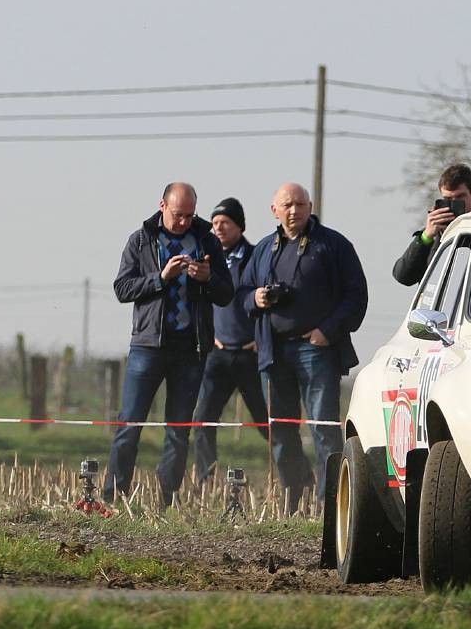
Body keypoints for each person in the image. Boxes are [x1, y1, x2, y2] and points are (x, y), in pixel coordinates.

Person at [105, 182, 234, 506]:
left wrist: (207, 279)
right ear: (162, 205)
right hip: (148, 345)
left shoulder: (206, 240)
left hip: (190, 349)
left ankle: (165, 499)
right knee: (129, 424)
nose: (184, 222)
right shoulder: (141, 239)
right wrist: (160, 278)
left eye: (190, 215)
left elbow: (226, 292)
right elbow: (122, 288)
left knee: (178, 430)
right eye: (178, 215)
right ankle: (114, 495)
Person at [242, 182, 368, 507]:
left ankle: (332, 504)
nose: (294, 210)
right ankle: (293, 499)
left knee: (324, 430)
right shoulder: (262, 250)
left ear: (310, 207)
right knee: (282, 433)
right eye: (287, 205)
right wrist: (255, 298)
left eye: (300, 204)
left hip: (316, 350)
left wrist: (329, 330)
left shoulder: (333, 245)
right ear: (274, 210)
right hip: (274, 351)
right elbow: (241, 294)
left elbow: (356, 296)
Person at [190, 197, 271, 483]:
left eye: (225, 222)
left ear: (239, 226)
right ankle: (206, 479)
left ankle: (289, 478)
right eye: (214, 223)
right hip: (218, 354)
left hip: (251, 355)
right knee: (202, 421)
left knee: (268, 424)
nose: (219, 228)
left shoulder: (256, 257)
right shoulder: (206, 259)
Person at [392, 163, 471, 286]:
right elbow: (403, 277)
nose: (454, 203)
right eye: (447, 199)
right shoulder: (433, 234)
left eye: (460, 197)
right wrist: (426, 236)